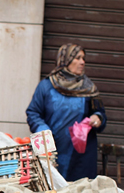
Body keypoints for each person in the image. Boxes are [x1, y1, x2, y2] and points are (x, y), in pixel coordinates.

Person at [25, 43, 108, 181]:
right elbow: (33, 112)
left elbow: (100, 113)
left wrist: (97, 118)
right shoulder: (47, 86)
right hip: (51, 150)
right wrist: (43, 130)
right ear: (66, 61)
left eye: (83, 58)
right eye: (77, 58)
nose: (82, 62)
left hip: (80, 156)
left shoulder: (88, 88)